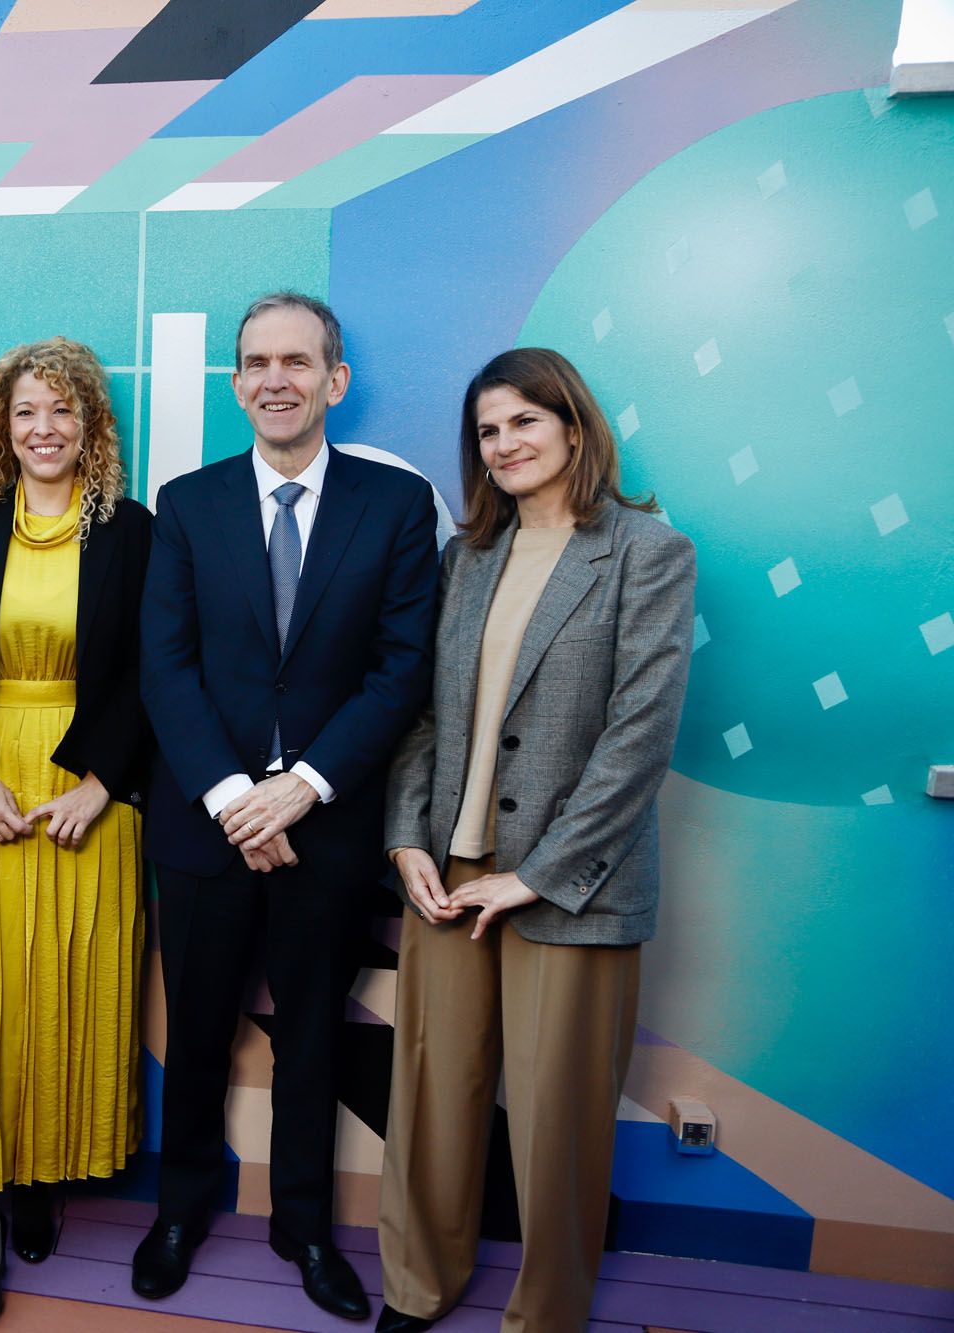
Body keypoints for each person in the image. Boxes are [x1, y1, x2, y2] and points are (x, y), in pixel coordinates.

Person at [375, 348, 695, 1333]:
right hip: (449, 867)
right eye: (486, 430)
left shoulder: (646, 550)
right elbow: (427, 716)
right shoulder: (465, 557)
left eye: (522, 421)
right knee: (431, 1091)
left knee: (555, 1119)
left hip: (570, 884)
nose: (504, 443)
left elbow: (637, 737)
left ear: (570, 426)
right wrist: (407, 841)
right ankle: (415, 1284)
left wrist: (537, 877)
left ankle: (546, 1312)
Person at [135, 293, 437, 1320]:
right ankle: (177, 1211)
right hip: (202, 824)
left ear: (332, 381)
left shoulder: (392, 510)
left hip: (327, 826)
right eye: (256, 362)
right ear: (235, 383)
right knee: (201, 1027)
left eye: (296, 362)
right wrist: (233, 799)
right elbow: (163, 668)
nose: (276, 378)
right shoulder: (184, 504)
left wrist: (296, 792)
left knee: (312, 1035)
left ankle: (302, 1227)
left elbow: (400, 673)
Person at [0, 337, 152, 1329]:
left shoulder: (134, 533)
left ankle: (35, 1178)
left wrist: (101, 783)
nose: (43, 429)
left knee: (62, 990)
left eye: (62, 411)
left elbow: (158, 670)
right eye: (24, 411)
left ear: (91, 424)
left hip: (90, 797)